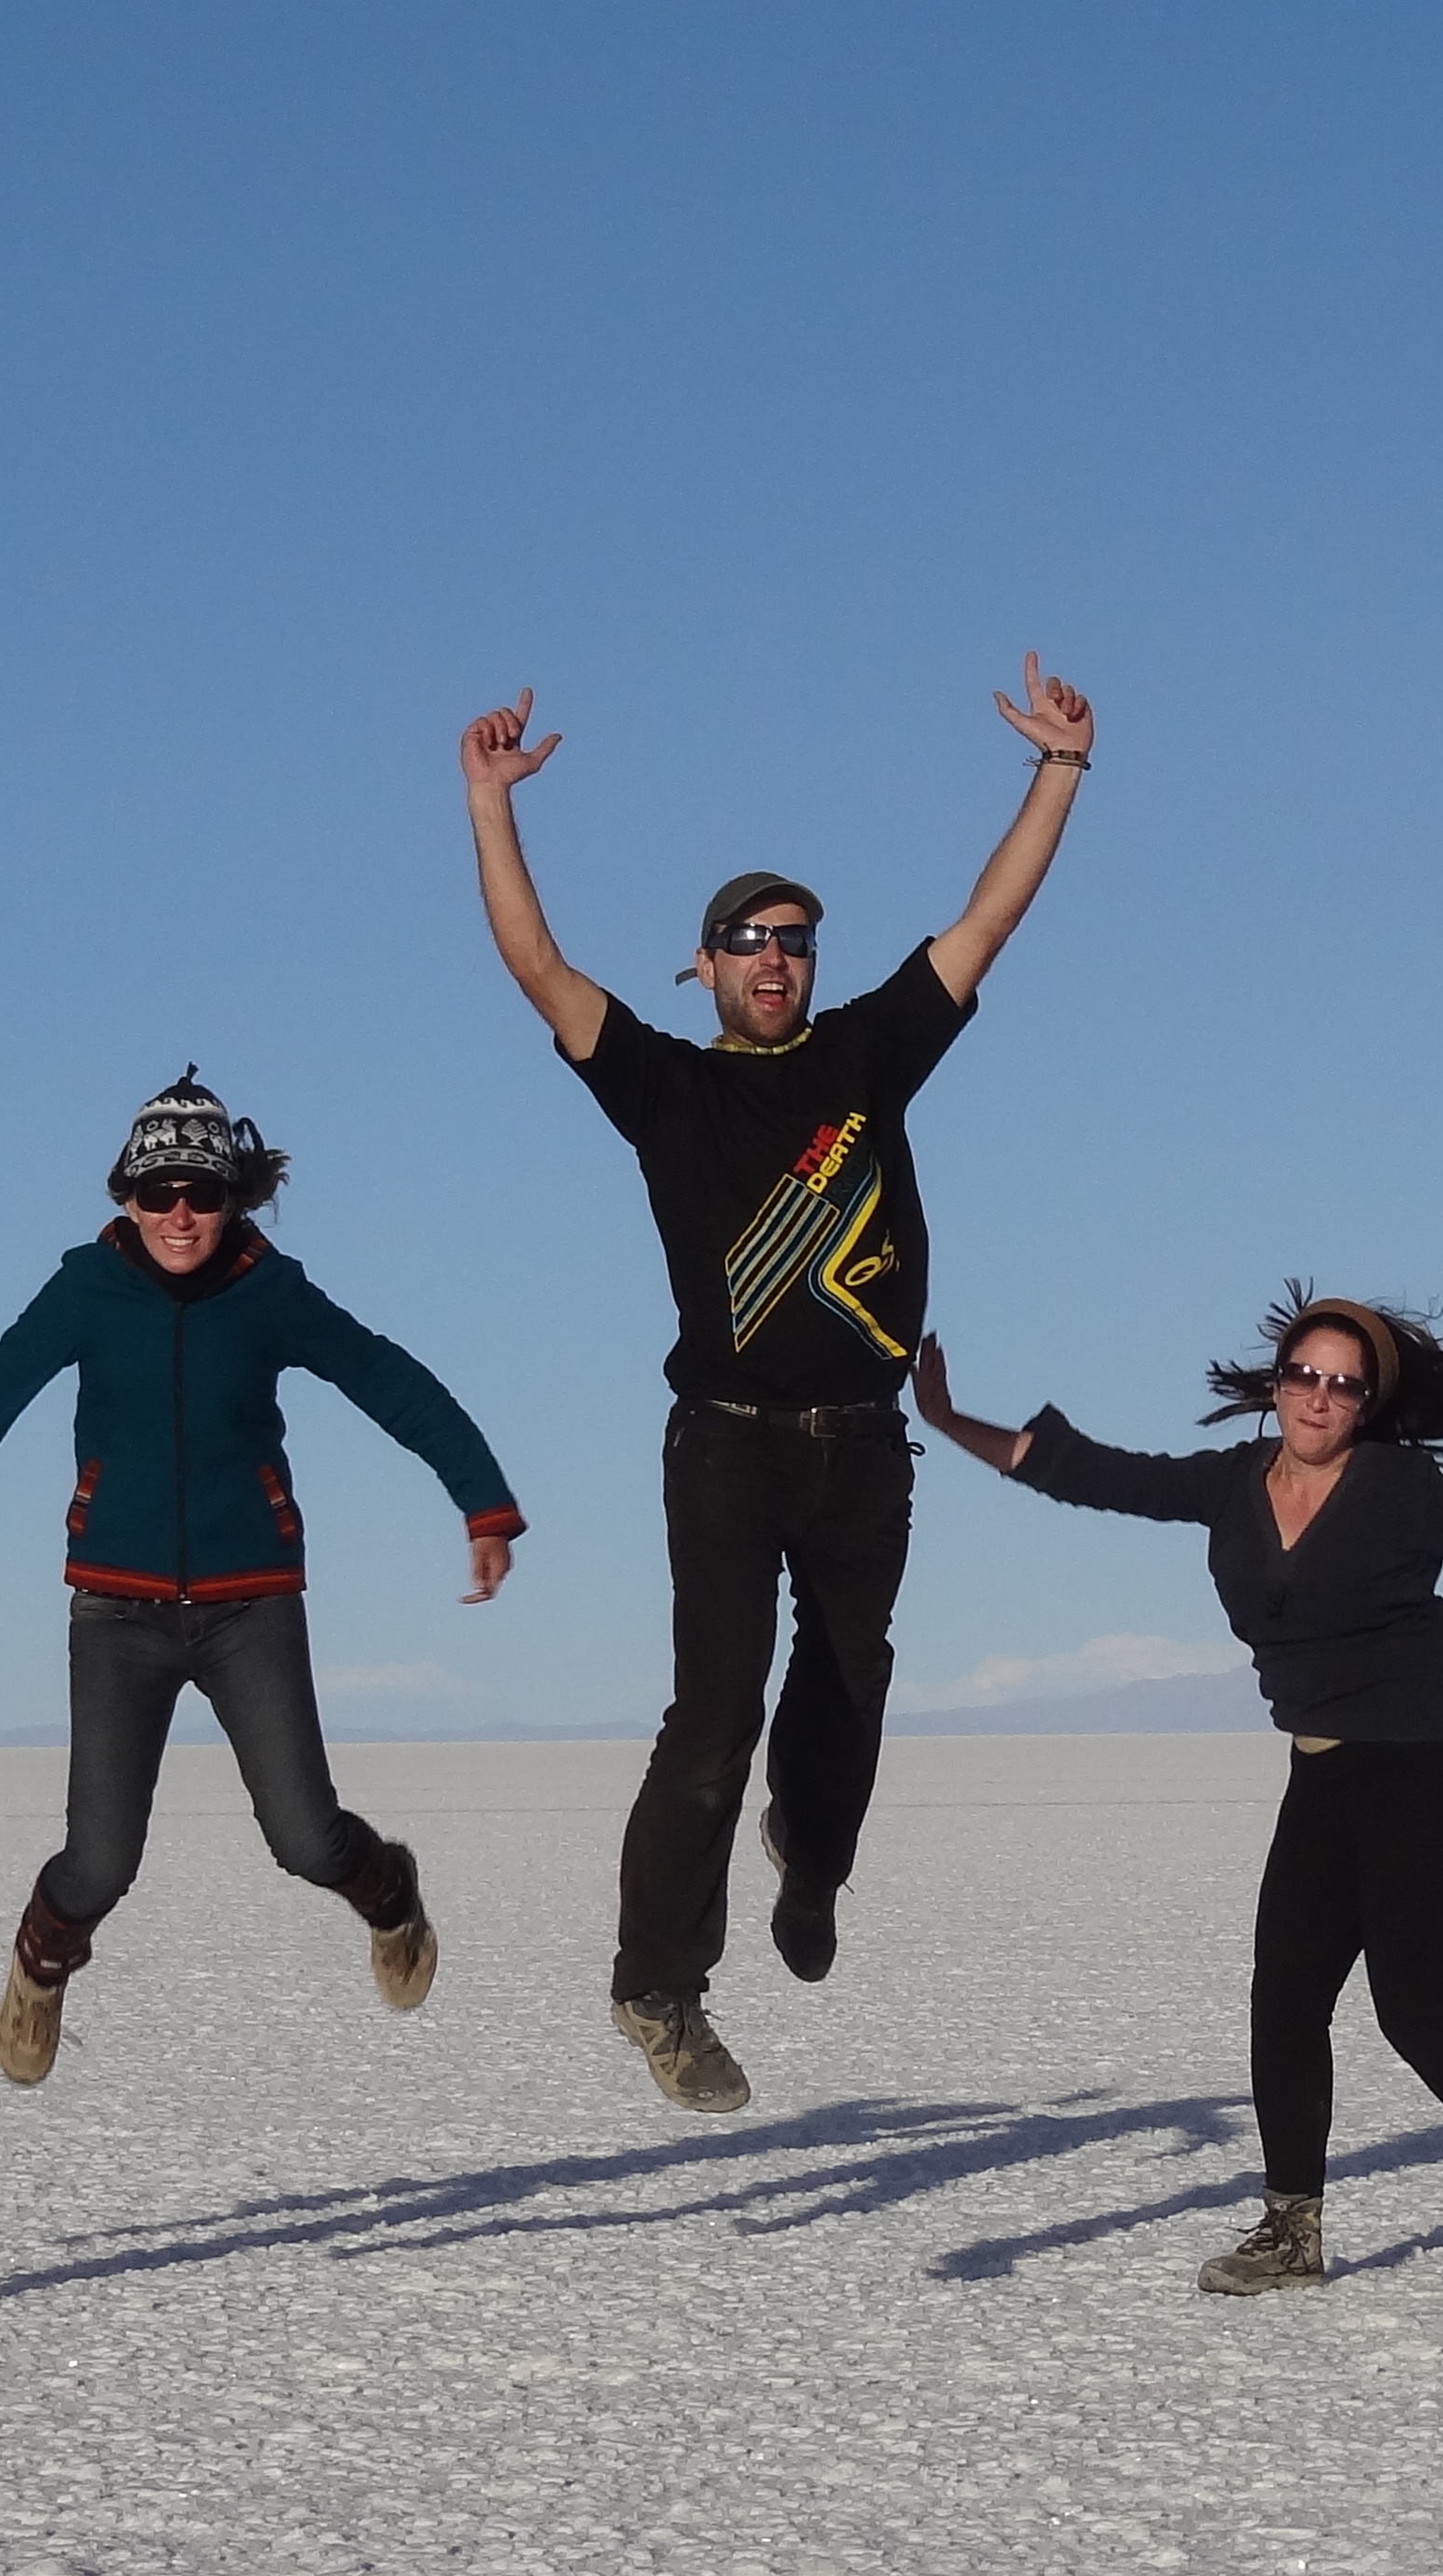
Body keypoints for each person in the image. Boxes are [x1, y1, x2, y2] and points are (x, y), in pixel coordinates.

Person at [455, 657, 1096, 2115]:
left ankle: (810, 1864)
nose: (774, 960)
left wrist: (1058, 769)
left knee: (851, 1684)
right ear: (705, 966)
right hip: (728, 1450)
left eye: (795, 941)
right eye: (747, 941)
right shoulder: (668, 1089)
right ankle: (658, 1987)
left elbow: (987, 920)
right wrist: (490, 800)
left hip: (864, 1447)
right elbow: (538, 967)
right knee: (715, 1713)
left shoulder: (867, 1054)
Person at [911, 1293, 1443, 2302]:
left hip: (1429, 1763)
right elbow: (1092, 1474)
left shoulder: (1398, 1488)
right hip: (1324, 1767)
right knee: (1286, 1999)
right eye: (1305, 1376)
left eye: (1344, 1385)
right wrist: (949, 1421)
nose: (1319, 1397)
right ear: (1277, 1385)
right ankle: (1290, 2233)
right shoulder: (1230, 1484)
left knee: (1417, 2010)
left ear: (1366, 1404)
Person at [0, 1079, 525, 2078]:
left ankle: (389, 1892)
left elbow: (390, 1380)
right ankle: (40, 1965)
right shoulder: (86, 1289)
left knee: (306, 1838)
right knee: (99, 1863)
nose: (180, 1215)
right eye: (159, 1192)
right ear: (127, 1198)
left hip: (250, 1605)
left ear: (232, 1199)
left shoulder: (269, 1290)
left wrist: (482, 1500)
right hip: (116, 1613)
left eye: (202, 1194)